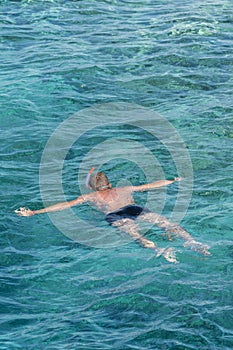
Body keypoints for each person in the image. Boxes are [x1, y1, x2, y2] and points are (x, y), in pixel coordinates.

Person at [15, 167, 211, 263]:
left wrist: (35, 211)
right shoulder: (125, 188)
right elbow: (150, 185)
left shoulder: (91, 196)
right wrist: (172, 180)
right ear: (109, 183)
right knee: (167, 224)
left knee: (136, 236)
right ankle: (191, 241)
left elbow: (65, 205)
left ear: (92, 186)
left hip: (114, 216)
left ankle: (160, 250)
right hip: (133, 208)